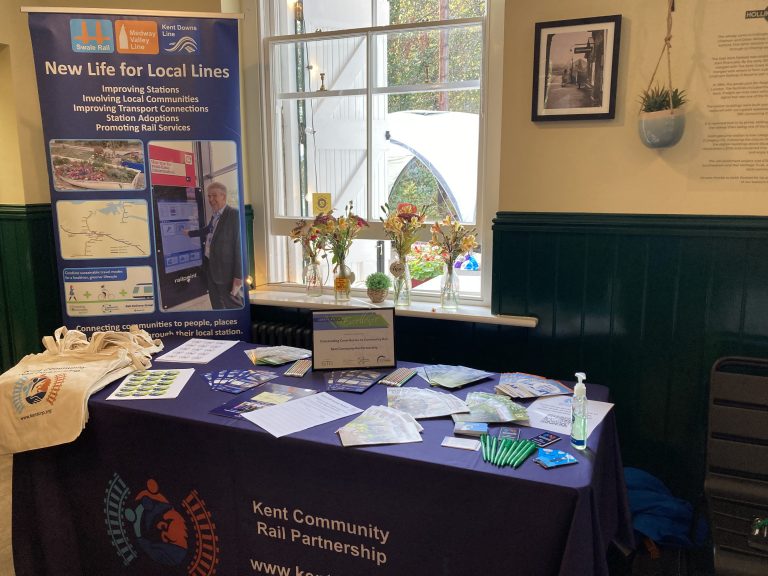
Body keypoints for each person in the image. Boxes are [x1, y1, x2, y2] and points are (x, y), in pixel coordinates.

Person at [185, 182, 243, 309]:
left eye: (214, 196)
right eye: (209, 196)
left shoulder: (235, 215)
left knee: (233, 304)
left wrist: (239, 275)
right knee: (216, 302)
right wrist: (190, 233)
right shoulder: (215, 215)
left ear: (223, 196)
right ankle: (220, 321)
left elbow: (240, 247)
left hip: (226, 272)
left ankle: (237, 322)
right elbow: (208, 229)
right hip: (210, 266)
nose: (211, 199)